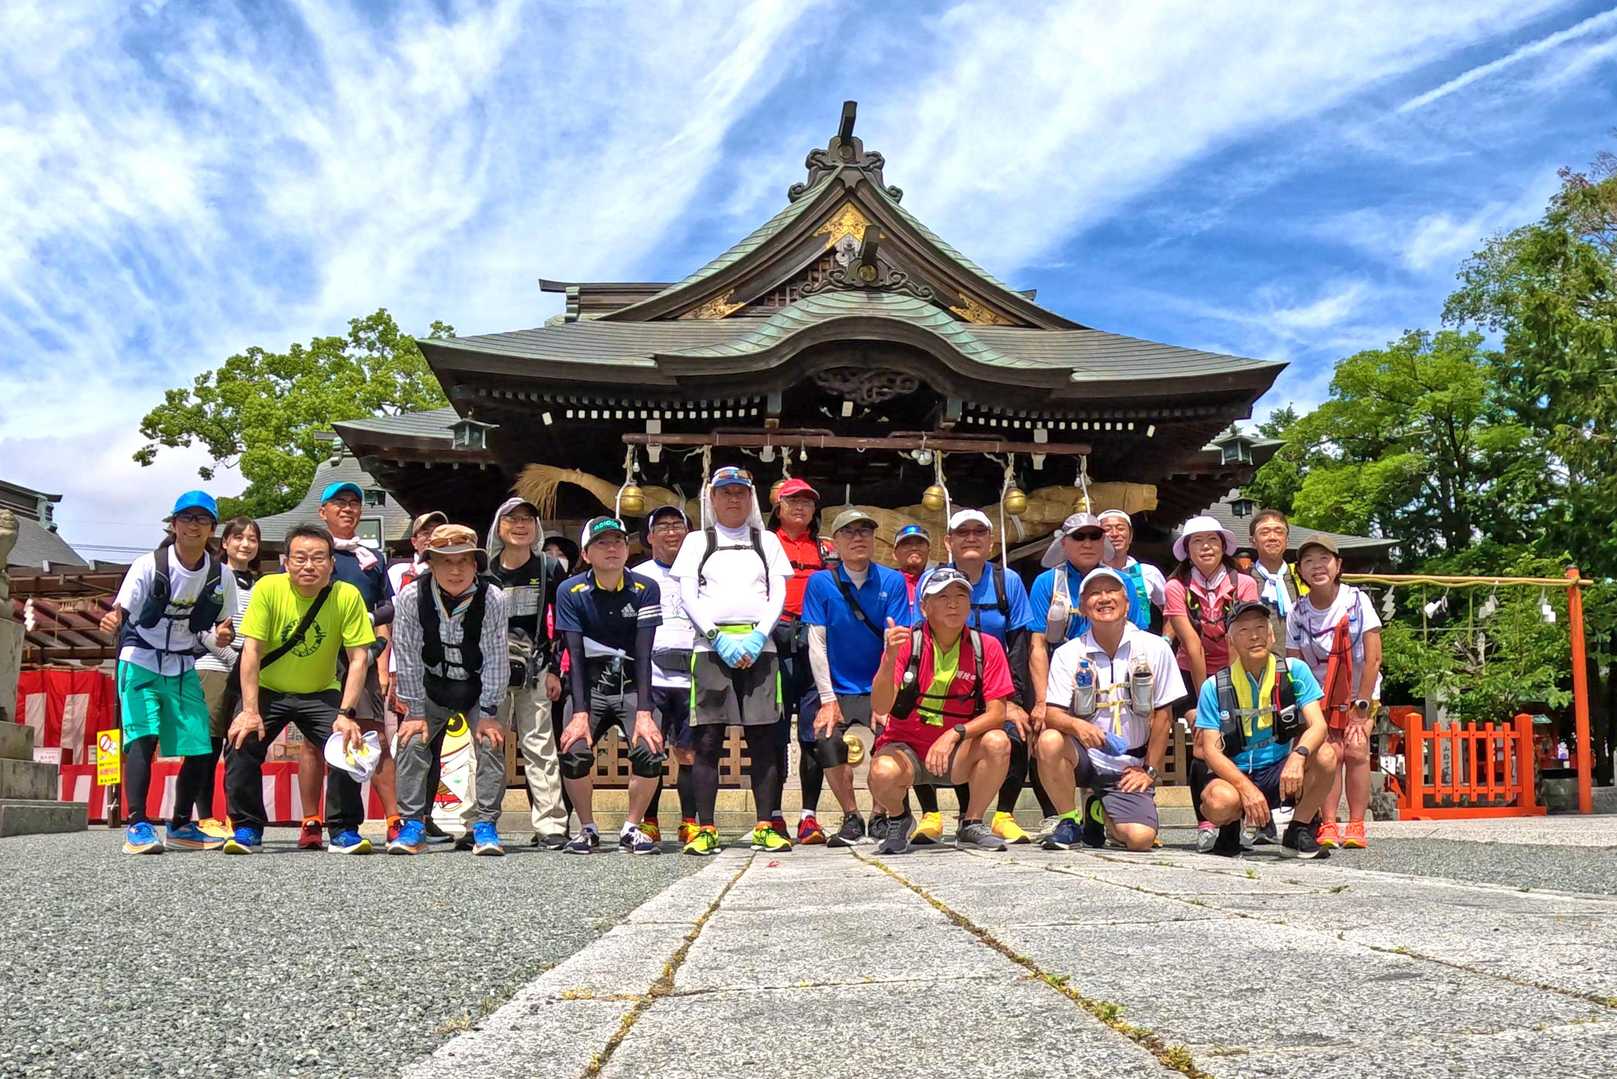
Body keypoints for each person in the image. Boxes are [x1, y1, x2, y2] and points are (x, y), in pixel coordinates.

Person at [223, 524, 376, 855]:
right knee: (240, 740)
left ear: (331, 563)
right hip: (268, 688)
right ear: (285, 561)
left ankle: (343, 829)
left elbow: (358, 659)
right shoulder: (268, 588)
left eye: (319, 558)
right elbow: (251, 651)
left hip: (320, 690)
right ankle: (247, 827)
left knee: (345, 743)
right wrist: (249, 710)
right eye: (300, 558)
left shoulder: (347, 595)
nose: (309, 566)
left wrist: (346, 713)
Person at [99, 491, 239, 854]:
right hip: (140, 659)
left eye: (202, 519)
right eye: (187, 518)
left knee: (200, 743)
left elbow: (221, 626)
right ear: (173, 524)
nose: (194, 525)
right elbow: (122, 609)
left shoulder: (220, 575)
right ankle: (137, 824)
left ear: (212, 528)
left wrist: (224, 635)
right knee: (142, 738)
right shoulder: (148, 565)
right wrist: (112, 619)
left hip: (182, 663)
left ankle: (180, 825)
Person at [670, 466, 793, 855]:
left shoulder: (766, 540)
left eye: (740, 491)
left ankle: (765, 824)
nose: (733, 499)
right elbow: (688, 596)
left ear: (751, 497)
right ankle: (706, 827)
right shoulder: (697, 541)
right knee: (708, 740)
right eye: (725, 492)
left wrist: (759, 636)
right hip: (711, 648)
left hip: (760, 646)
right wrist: (716, 637)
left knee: (763, 740)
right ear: (712, 498)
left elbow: (778, 593)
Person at [1033, 567, 1183, 851]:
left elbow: (1164, 716)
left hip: (1131, 762)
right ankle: (1069, 820)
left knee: (1140, 840)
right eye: (1094, 593)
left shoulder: (1155, 648)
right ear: (1082, 607)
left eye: (1112, 591)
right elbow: (1052, 713)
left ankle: (1099, 813)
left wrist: (1149, 771)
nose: (1104, 598)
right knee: (1049, 741)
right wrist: (1078, 726)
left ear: (1127, 603)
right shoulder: (1068, 653)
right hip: (1085, 756)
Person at [913, 509, 1040, 846]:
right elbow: (920, 638)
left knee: (1015, 732)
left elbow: (1018, 642)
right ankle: (931, 814)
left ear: (991, 540)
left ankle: (1003, 815)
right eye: (962, 532)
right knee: (923, 730)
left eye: (979, 532)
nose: (971, 538)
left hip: (996, 678)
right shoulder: (931, 580)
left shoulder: (1007, 581)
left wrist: (1013, 700)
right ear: (948, 541)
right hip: (949, 680)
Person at [867, 568, 1014, 854]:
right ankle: (899, 818)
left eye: (960, 596)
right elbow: (881, 706)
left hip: (958, 751)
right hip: (906, 748)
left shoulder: (987, 647)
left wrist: (955, 734)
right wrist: (889, 659)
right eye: (942, 597)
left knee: (998, 741)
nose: (953, 603)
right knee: (882, 772)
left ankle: (972, 822)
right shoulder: (907, 644)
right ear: (924, 607)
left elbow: (998, 714)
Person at [388, 525, 512, 856]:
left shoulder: (493, 598)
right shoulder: (411, 597)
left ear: (475, 564)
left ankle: (485, 824)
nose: (455, 570)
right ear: (430, 563)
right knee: (411, 741)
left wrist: (489, 711)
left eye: (463, 561)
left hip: (477, 684)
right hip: (432, 684)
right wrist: (414, 711)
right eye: (445, 561)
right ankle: (412, 823)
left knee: (490, 741)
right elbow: (407, 654)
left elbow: (496, 655)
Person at [555, 516, 665, 855]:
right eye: (601, 543)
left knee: (650, 749)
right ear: (586, 554)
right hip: (589, 688)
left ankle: (632, 826)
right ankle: (587, 827)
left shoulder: (646, 588)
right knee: (573, 751)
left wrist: (645, 712)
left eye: (618, 541)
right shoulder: (570, 591)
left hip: (632, 687)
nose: (612, 548)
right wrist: (580, 714)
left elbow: (644, 654)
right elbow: (574, 656)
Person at [802, 509, 912, 846]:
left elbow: (896, 642)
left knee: (889, 739)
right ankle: (851, 815)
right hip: (837, 686)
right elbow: (817, 643)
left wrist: (887, 695)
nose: (858, 538)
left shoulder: (892, 581)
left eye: (865, 531)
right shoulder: (820, 582)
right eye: (848, 532)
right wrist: (827, 699)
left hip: (880, 682)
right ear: (835, 542)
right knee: (826, 739)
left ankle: (881, 814)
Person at [295, 481, 395, 850]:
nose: (348, 508)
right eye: (339, 502)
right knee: (314, 740)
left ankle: (393, 819)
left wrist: (382, 666)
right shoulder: (311, 554)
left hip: (362, 656)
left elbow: (386, 610)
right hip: (318, 655)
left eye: (354, 502)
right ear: (322, 511)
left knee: (374, 737)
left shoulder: (372, 557)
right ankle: (311, 820)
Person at [1196, 601, 1339, 860]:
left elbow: (1319, 725)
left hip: (1279, 768)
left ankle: (1298, 829)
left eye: (1260, 628)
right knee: (1218, 801)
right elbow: (1211, 750)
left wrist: (1298, 755)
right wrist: (1246, 789)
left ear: (1272, 634)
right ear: (1231, 641)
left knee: (1326, 755)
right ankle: (1229, 830)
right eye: (1244, 630)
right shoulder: (1213, 686)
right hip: (1236, 771)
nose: (1254, 636)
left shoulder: (1295, 671)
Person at [1165, 514, 1259, 852]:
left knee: (1237, 739)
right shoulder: (1175, 587)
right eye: (1197, 541)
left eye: (1212, 540)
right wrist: (1209, 698)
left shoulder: (1243, 583)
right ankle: (1205, 820)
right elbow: (1191, 643)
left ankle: (1241, 820)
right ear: (1187, 549)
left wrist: (1230, 693)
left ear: (1223, 546)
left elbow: (1239, 638)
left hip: (1237, 670)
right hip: (1193, 675)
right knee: (1203, 742)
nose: (1206, 547)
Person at [1287, 535, 1382, 850]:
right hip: (1319, 695)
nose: (1317, 567)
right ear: (1300, 570)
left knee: (1355, 749)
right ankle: (1328, 822)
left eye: (1324, 559)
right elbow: (1295, 664)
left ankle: (1356, 823)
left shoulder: (1357, 601)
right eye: (1309, 561)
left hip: (1359, 690)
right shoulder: (1298, 611)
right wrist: (1308, 706)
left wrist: (1361, 706)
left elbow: (1373, 658)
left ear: (1338, 565)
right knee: (1328, 754)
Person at [487, 497, 571, 850]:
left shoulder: (549, 568)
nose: (520, 525)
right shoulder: (485, 570)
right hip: (490, 670)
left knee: (539, 745)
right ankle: (480, 821)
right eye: (512, 519)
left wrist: (556, 669)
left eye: (527, 519)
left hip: (536, 667)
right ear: (498, 526)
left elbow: (563, 623)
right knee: (486, 744)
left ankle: (551, 822)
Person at [1025, 512, 1113, 839]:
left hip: (1109, 680)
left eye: (1094, 536)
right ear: (1064, 543)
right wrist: (1042, 699)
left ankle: (1102, 807)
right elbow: (1037, 643)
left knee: (1109, 741)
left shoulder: (1120, 583)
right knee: (1047, 741)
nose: (1087, 543)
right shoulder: (1047, 582)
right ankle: (1063, 815)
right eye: (1079, 537)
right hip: (1060, 678)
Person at [768, 476, 833, 844]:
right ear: (778, 506)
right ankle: (773, 814)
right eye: (793, 501)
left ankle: (809, 816)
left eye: (807, 502)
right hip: (774, 642)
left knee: (813, 735)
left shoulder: (826, 550)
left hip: (814, 643)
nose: (800, 507)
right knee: (773, 734)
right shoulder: (764, 545)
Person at [384, 510, 456, 845]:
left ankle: (426, 816)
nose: (431, 537)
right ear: (414, 541)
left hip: (445, 669)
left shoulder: (457, 571)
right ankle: (406, 816)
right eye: (425, 532)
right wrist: (388, 669)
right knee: (411, 742)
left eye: (438, 531)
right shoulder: (398, 572)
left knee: (436, 745)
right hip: (407, 668)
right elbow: (387, 620)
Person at [632, 505, 700, 845]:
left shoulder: (701, 571)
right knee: (651, 750)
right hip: (652, 675)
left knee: (689, 753)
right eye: (663, 526)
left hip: (693, 674)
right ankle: (649, 821)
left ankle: (689, 821)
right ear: (649, 536)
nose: (671, 532)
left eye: (677, 525)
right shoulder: (637, 575)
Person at [191, 514, 260, 842]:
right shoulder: (213, 577)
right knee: (208, 744)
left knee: (240, 745)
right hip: (215, 667)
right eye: (239, 538)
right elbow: (199, 628)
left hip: (246, 671)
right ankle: (205, 816)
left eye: (252, 539)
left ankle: (237, 815)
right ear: (225, 542)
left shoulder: (260, 584)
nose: (246, 544)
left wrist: (249, 664)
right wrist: (235, 659)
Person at [1098, 509, 1167, 631]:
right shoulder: (1091, 573)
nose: (1114, 534)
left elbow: (1171, 609)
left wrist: (1166, 638)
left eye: (1120, 528)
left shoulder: (1148, 572)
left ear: (1130, 536)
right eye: (1107, 530)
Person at [1249, 509, 1308, 651]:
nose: (1272, 537)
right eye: (1264, 532)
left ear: (1287, 540)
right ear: (1252, 541)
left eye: (1279, 532)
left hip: (1301, 660)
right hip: (1260, 660)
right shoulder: (1244, 580)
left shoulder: (1302, 576)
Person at [892, 523, 933, 616]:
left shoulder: (938, 583)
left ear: (929, 552)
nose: (914, 548)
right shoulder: (887, 584)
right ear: (894, 554)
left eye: (920, 544)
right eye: (907, 544)